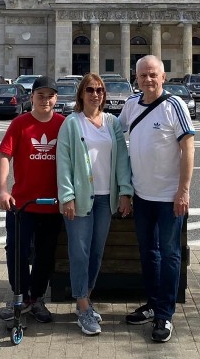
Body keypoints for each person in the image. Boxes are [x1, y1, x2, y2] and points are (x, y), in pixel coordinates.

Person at [118, 55, 195, 343]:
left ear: (163, 77)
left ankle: (165, 314)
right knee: (148, 253)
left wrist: (183, 191)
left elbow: (188, 149)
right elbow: (112, 133)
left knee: (170, 255)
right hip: (142, 196)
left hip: (168, 197)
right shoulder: (131, 104)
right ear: (135, 78)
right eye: (142, 76)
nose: (148, 80)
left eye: (153, 75)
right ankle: (152, 304)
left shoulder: (174, 106)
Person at [56, 73, 133, 336]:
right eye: (90, 89)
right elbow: (63, 162)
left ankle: (84, 301)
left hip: (105, 198)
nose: (95, 94)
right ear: (81, 94)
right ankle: (83, 305)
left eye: (100, 89)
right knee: (79, 253)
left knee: (96, 253)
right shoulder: (71, 123)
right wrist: (66, 196)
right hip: (79, 198)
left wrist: (125, 192)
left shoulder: (111, 122)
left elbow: (122, 158)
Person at [0, 75, 64, 324]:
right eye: (40, 95)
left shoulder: (63, 124)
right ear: (32, 97)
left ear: (56, 99)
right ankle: (20, 296)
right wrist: (3, 190)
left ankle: (37, 298)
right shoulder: (20, 124)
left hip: (52, 204)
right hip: (22, 204)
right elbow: (4, 156)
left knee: (46, 254)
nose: (45, 100)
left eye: (50, 96)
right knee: (17, 251)